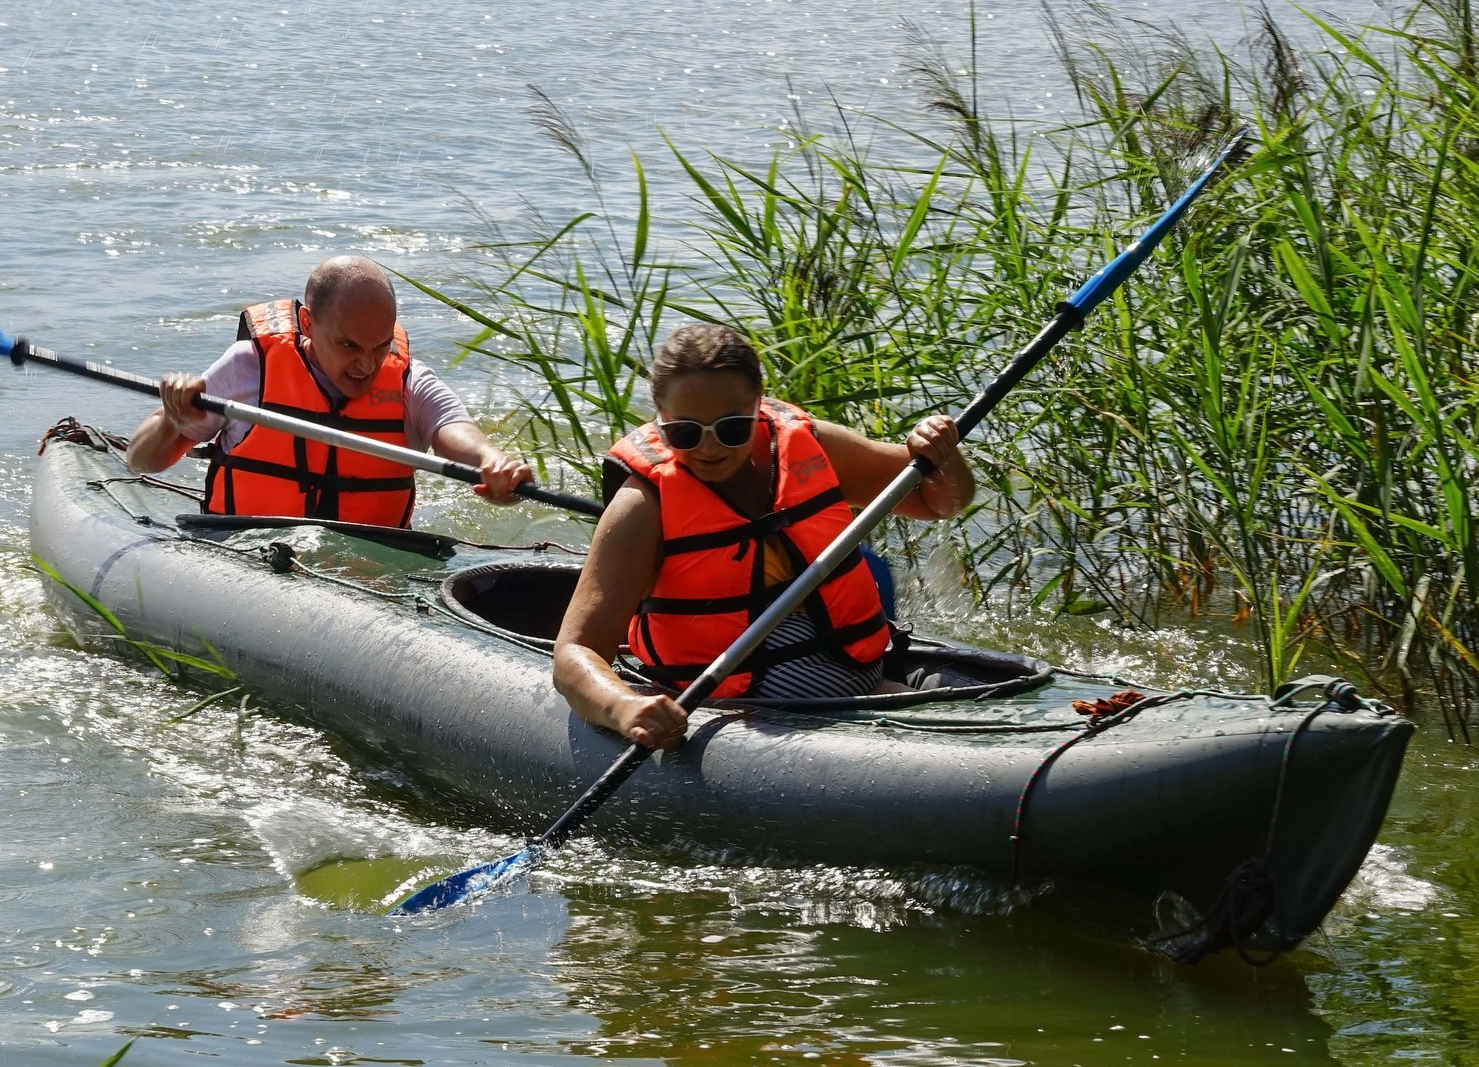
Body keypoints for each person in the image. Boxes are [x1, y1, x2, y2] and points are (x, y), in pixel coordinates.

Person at [552, 323, 977, 748]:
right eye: (685, 432)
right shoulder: (642, 508)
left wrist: (941, 455)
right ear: (659, 415)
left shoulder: (812, 447)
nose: (710, 448)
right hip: (746, 721)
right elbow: (574, 655)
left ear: (759, 403)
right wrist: (625, 708)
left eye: (732, 428)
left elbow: (935, 502)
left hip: (863, 685)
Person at [124, 255, 533, 525]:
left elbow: (452, 426)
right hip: (241, 557)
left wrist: (492, 461)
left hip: (361, 573)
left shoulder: (408, 381)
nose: (367, 365)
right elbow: (142, 461)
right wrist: (170, 421)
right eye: (348, 346)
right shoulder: (249, 367)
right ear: (307, 322)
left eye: (379, 346)